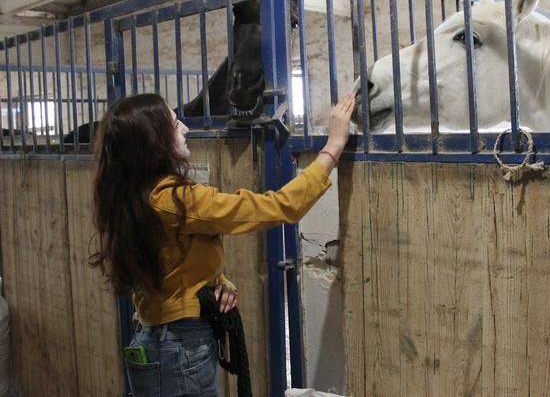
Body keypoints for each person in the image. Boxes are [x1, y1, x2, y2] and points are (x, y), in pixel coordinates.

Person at [90, 92, 356, 396]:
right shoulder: (175, 200)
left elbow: (172, 264)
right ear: (155, 140)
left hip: (159, 340)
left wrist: (216, 281)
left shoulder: (138, 196)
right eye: (175, 124)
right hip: (179, 348)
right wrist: (333, 148)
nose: (185, 129)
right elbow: (278, 206)